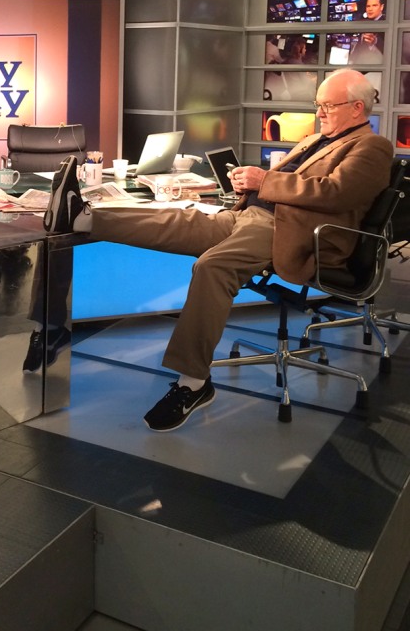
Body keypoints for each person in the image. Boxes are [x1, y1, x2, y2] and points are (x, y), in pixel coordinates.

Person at [43, 70, 393, 432]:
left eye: (327, 106)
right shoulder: (318, 139)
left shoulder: (372, 147)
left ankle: (193, 383)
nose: (320, 112)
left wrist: (265, 181)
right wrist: (250, 183)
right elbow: (295, 183)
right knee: (175, 220)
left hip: (292, 234)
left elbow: (336, 193)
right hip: (253, 216)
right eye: (317, 104)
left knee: (213, 266)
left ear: (356, 107)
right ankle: (83, 218)